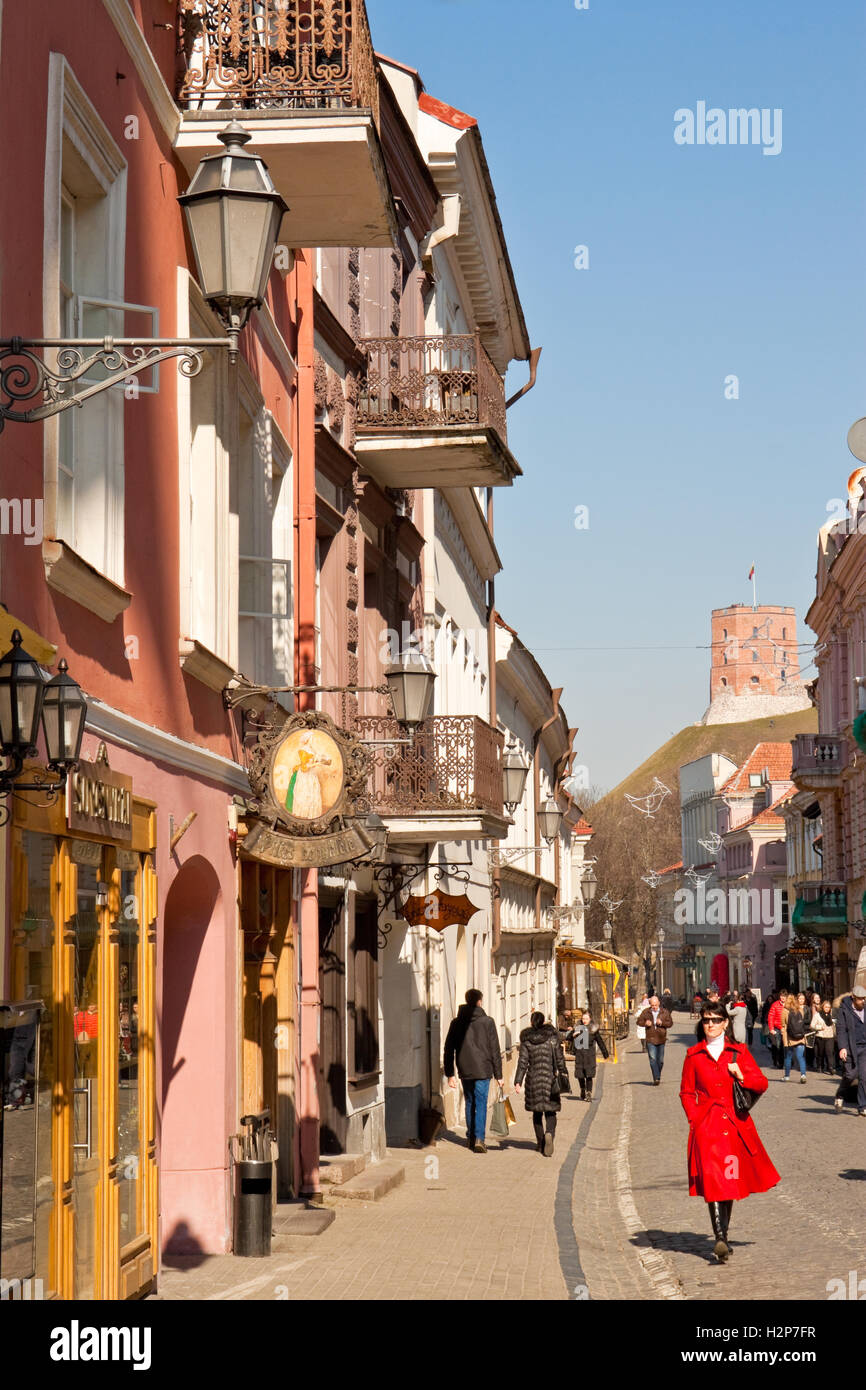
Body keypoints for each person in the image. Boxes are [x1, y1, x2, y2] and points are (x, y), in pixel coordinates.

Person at [679, 1002, 780, 1262]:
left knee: (728, 1181)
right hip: (706, 1127)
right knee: (714, 1179)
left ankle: (723, 1235)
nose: (710, 1024)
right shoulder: (693, 1056)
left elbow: (762, 1082)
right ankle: (720, 1237)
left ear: (725, 1023)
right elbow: (687, 1092)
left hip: (734, 1127)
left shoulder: (738, 1052)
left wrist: (741, 1076)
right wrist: (694, 1117)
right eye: (706, 1020)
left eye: (715, 1020)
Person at [444, 988, 503, 1153]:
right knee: (481, 1103)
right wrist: (499, 1075)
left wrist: (450, 1074)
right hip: (483, 1069)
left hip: (465, 1069)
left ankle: (470, 1137)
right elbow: (494, 1050)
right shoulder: (488, 1022)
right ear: (479, 1001)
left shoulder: (456, 1023)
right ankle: (479, 1139)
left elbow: (449, 1049)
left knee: (470, 1102)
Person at [513, 1010, 570, 1156]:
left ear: (532, 1022)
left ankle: (540, 1143)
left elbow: (523, 1062)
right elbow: (559, 1059)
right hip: (550, 1079)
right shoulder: (552, 1038)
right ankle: (549, 1133)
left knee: (537, 1113)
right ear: (543, 1021)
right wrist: (564, 1074)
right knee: (551, 1112)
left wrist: (518, 1081)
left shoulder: (527, 1040)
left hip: (533, 1079)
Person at [835, 983, 866, 1116]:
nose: (863, 1001)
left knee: (864, 1077)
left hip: (864, 1047)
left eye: (864, 998)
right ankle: (840, 1094)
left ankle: (862, 1106)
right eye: (860, 998)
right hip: (851, 1048)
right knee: (850, 1075)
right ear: (853, 998)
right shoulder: (844, 1010)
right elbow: (841, 1030)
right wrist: (842, 1047)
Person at [569, 1008, 609, 1101]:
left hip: (589, 1055)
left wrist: (605, 1053)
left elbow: (600, 1041)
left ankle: (588, 1093)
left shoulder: (593, 1029)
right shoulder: (578, 1027)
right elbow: (568, 1037)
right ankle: (582, 1089)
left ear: (590, 1019)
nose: (584, 1021)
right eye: (583, 1019)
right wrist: (574, 1035)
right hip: (579, 1055)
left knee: (589, 1075)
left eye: (586, 1019)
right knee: (580, 1075)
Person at [635, 993, 674, 1085]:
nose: (654, 1007)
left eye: (656, 1005)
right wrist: (645, 1023)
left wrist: (662, 1023)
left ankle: (657, 1074)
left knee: (660, 1061)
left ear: (659, 1003)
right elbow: (638, 1021)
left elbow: (670, 1023)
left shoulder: (665, 1012)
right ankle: (656, 1078)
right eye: (652, 1005)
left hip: (661, 1038)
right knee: (652, 1059)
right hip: (650, 1038)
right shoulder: (646, 1012)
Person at [781, 991, 808, 1083]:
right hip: (800, 1036)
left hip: (790, 1038)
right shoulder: (800, 1009)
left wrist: (784, 1041)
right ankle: (803, 1075)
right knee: (801, 1057)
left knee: (788, 1057)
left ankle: (787, 1076)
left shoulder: (785, 1011)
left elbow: (783, 1026)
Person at [813, 998, 836, 1075]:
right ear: (823, 1007)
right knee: (821, 1053)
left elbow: (834, 1025)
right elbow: (812, 1025)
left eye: (829, 1007)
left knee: (830, 1052)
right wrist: (819, 1027)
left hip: (830, 1036)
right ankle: (820, 1066)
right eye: (826, 1007)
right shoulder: (817, 1015)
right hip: (821, 1036)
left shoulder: (831, 1015)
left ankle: (830, 1068)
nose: (827, 1009)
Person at [767, 990, 785, 1070]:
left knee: (786, 1046)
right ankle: (779, 1062)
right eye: (781, 996)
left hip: (786, 1028)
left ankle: (786, 1061)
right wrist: (771, 1028)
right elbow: (771, 1017)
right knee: (778, 1046)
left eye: (784, 996)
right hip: (777, 1027)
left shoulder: (789, 1005)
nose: (783, 998)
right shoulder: (775, 1005)